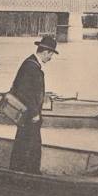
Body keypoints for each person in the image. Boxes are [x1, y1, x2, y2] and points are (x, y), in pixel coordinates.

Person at [9, 35, 58, 174]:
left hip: (27, 114)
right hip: (29, 115)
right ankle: (30, 174)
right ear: (46, 52)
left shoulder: (31, 64)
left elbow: (28, 89)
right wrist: (35, 113)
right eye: (51, 54)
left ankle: (21, 171)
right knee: (31, 146)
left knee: (25, 144)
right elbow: (25, 92)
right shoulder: (31, 67)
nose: (50, 58)